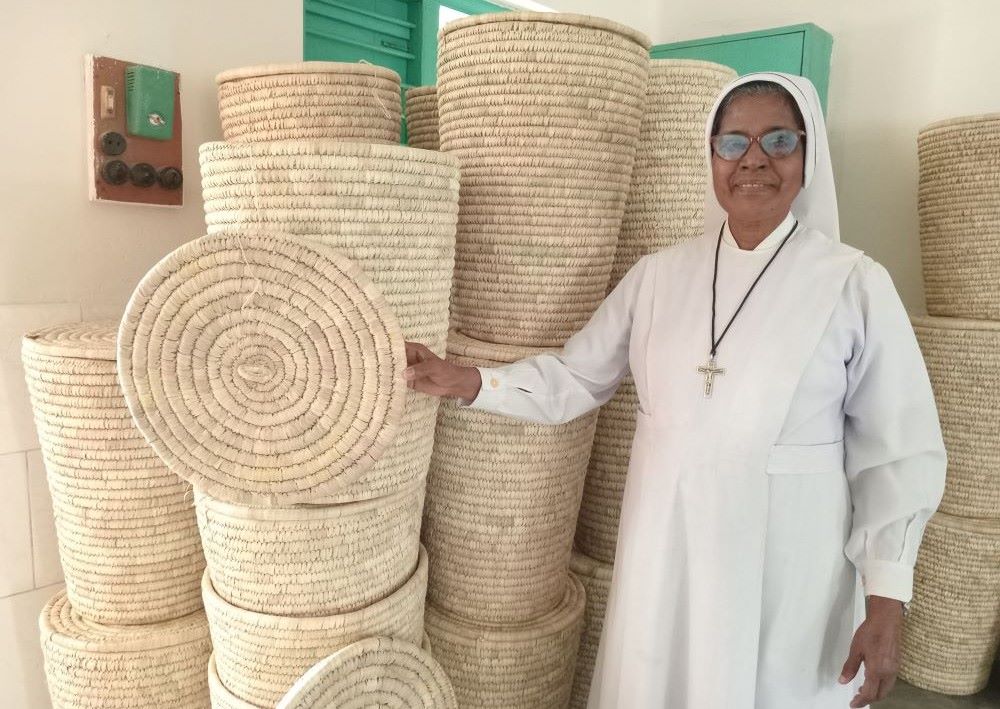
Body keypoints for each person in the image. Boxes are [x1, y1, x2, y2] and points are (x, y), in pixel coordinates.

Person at [403, 72, 946, 709]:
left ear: (808, 153)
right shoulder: (658, 276)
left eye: (778, 140)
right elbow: (578, 376)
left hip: (786, 565)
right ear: (709, 155)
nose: (753, 160)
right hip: (664, 545)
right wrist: (469, 381)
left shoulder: (855, 283)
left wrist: (887, 597)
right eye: (733, 142)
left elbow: (898, 450)